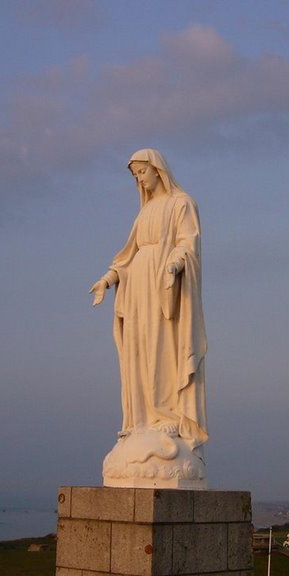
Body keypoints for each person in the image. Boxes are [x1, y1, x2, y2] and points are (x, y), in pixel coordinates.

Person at [90, 149, 207, 461]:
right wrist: (108, 279)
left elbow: (188, 243)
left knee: (162, 349)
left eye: (142, 172)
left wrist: (174, 265)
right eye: (135, 175)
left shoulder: (181, 203)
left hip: (163, 286)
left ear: (157, 169)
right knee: (138, 352)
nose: (139, 179)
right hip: (136, 288)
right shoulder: (144, 213)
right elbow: (128, 256)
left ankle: (168, 415)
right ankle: (141, 420)